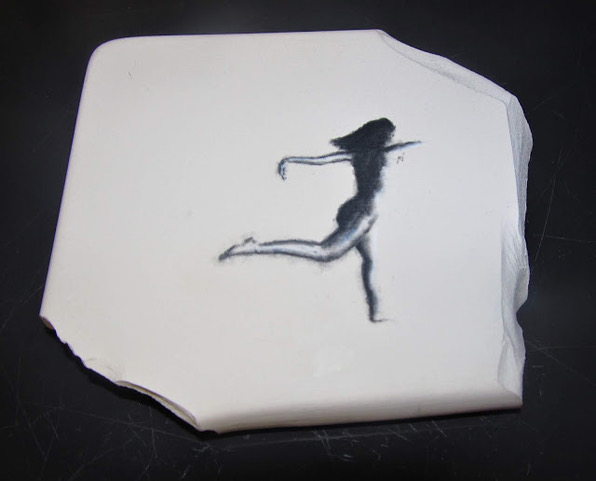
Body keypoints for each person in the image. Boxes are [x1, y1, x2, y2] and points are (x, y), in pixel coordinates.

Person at [219, 118, 420, 322]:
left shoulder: (360, 154)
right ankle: (255, 247)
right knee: (325, 252)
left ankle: (375, 313)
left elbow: (321, 160)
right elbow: (322, 160)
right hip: (363, 214)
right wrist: (290, 160)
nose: (392, 137)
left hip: (357, 210)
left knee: (369, 261)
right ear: (381, 136)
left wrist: (290, 160)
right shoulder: (382, 154)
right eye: (390, 134)